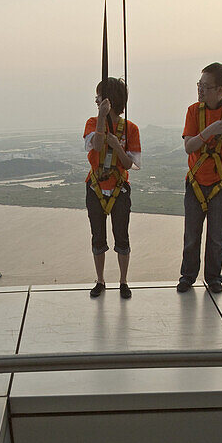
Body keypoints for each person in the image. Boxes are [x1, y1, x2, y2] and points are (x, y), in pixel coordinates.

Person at [177, 62, 222, 294]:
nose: (200, 90)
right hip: (196, 183)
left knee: (217, 236)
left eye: (205, 86)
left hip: (220, 184)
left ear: (221, 90)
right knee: (192, 235)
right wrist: (210, 131)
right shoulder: (193, 111)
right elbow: (189, 146)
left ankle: (214, 278)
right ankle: (187, 276)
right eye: (199, 85)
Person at [83, 77, 141, 299]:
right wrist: (101, 118)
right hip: (96, 185)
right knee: (98, 236)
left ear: (110, 100)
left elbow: (129, 164)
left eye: (99, 97)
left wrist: (116, 145)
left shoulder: (130, 129)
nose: (96, 101)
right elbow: (96, 145)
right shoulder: (92, 122)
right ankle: (100, 280)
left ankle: (123, 281)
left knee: (121, 236)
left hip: (119, 187)